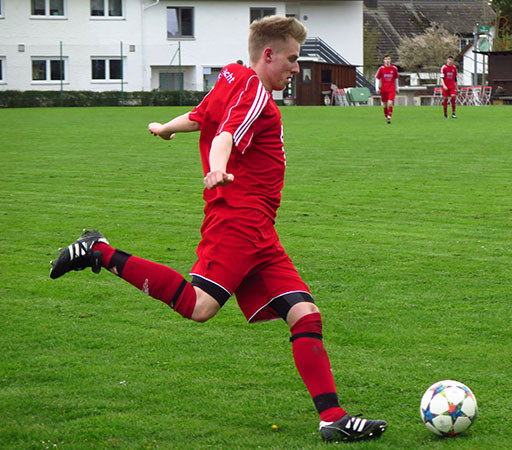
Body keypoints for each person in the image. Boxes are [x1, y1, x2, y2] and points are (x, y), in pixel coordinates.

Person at [49, 15, 387, 443]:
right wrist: (218, 169)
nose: (295, 68)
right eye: (292, 58)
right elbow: (225, 133)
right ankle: (99, 252)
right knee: (199, 306)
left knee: (305, 313)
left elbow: (200, 116)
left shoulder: (232, 76)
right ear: (269, 55)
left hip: (260, 230)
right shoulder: (255, 95)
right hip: (238, 222)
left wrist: (165, 128)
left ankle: (332, 418)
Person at [375, 55, 399, 124]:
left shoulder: (394, 69)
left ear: (390, 60)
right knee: (385, 104)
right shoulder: (381, 69)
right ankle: (386, 116)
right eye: (386, 59)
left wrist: (397, 88)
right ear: (384, 60)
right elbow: (377, 78)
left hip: (391, 89)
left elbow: (396, 79)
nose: (387, 60)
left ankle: (389, 118)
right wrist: (377, 88)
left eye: (388, 59)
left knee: (390, 103)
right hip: (384, 89)